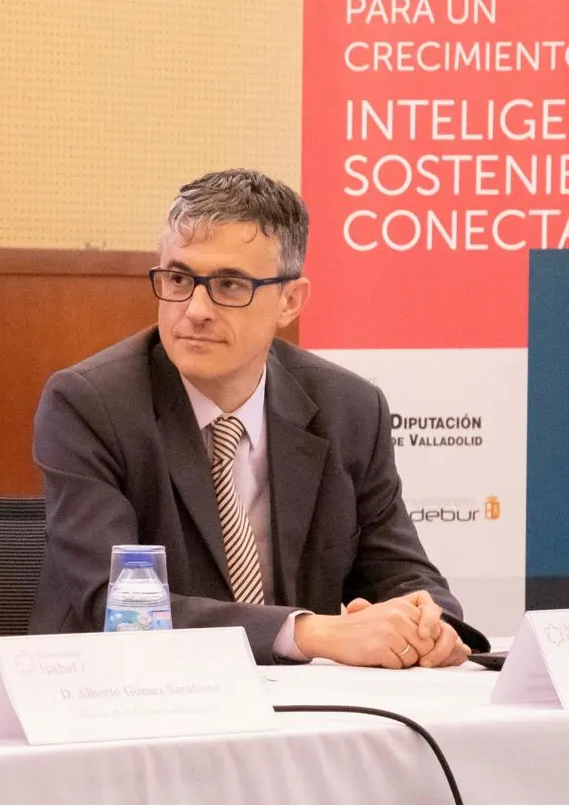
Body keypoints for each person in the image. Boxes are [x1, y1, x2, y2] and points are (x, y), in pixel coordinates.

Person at [30, 168, 484, 668]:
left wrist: (428, 624)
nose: (195, 309)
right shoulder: (92, 404)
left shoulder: (349, 408)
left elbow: (401, 574)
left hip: (298, 713)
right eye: (179, 279)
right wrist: (306, 632)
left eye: (228, 285)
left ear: (290, 301)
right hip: (125, 700)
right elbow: (117, 605)